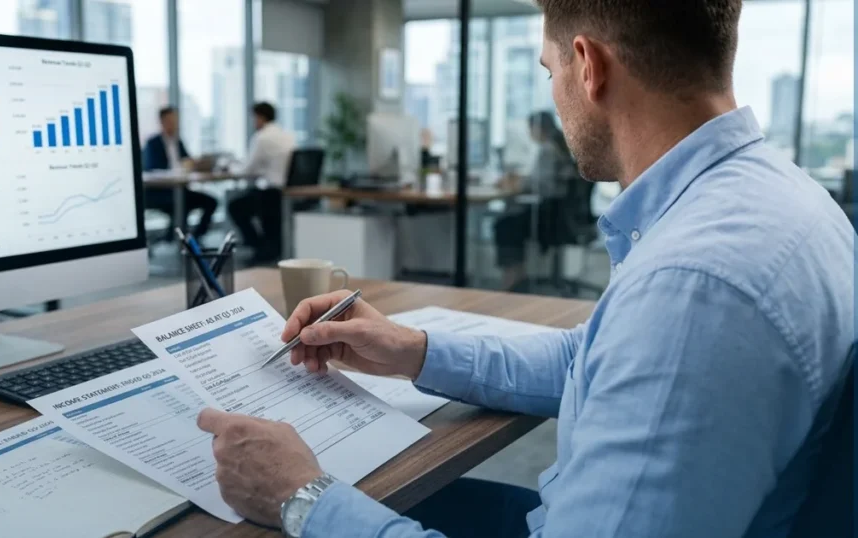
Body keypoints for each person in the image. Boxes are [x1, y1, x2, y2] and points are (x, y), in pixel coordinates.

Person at [193, 1, 856, 537]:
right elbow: (591, 364)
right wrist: (411, 351)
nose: (554, 93)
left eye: (547, 72)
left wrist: (302, 499)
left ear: (586, 65)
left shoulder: (694, 290)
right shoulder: (778, 199)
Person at [494, 111, 579, 291]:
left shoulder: (548, 149)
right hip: (561, 217)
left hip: (548, 219)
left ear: (539, 128)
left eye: (530, 128)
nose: (530, 133)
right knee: (509, 220)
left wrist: (517, 183)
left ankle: (514, 275)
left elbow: (542, 185)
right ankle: (519, 276)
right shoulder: (559, 146)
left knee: (504, 224)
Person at [228, 102, 297, 264]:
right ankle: (267, 246)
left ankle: (259, 247)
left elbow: (247, 170)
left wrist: (230, 168)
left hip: (270, 193)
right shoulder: (287, 135)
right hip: (286, 192)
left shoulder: (262, 137)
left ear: (260, 117)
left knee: (235, 206)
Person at [142, 106, 218, 240]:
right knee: (182, 204)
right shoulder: (152, 143)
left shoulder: (178, 141)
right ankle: (177, 239)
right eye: (171, 120)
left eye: (175, 120)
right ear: (162, 121)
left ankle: (194, 238)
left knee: (211, 202)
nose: (174, 124)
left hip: (180, 189)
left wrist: (196, 163)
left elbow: (187, 161)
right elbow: (152, 168)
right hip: (158, 192)